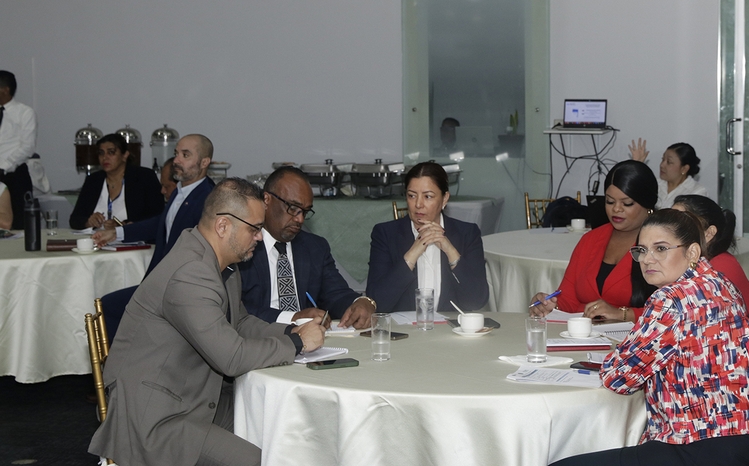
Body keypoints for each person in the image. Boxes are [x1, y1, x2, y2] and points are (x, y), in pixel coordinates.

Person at [88, 178, 325, 466]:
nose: (260, 237)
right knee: (257, 460)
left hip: (192, 394)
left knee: (284, 429)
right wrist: (297, 343)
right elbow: (232, 358)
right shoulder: (191, 273)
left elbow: (240, 322)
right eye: (254, 229)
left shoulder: (220, 261)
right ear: (223, 226)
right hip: (155, 416)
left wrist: (290, 330)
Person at [550, 209, 749, 466]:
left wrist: (619, 355)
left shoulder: (670, 300)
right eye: (641, 250)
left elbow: (618, 378)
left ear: (692, 252)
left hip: (701, 444)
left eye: (661, 249)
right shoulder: (719, 282)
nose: (647, 259)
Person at [672, 194, 749, 433]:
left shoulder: (718, 270)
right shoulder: (704, 264)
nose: (672, 226)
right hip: (742, 379)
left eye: (682, 220)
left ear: (709, 233)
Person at [94, 134, 217, 340]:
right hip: (162, 282)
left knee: (109, 306)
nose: (176, 160)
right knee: (109, 306)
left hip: (179, 289)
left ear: (204, 162)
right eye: (176, 153)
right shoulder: (181, 191)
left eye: (185, 155)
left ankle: (123, 359)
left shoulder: (208, 199)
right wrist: (117, 233)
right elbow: (162, 223)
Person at [241, 166, 377, 329]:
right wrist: (293, 318)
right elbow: (237, 310)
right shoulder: (243, 245)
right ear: (266, 200)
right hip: (258, 337)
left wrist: (360, 302)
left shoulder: (314, 247)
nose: (300, 219)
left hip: (311, 339)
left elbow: (335, 293)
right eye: (292, 208)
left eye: (305, 212)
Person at [530, 160, 657, 322]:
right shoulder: (591, 239)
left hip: (637, 335)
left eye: (627, 203)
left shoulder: (662, 245)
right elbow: (568, 298)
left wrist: (622, 314)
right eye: (610, 201)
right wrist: (551, 305)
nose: (616, 209)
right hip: (585, 333)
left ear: (648, 205)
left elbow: (673, 312)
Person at [366, 161, 488, 312]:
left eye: (428, 196)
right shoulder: (386, 234)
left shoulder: (467, 234)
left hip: (451, 326)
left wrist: (451, 252)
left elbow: (477, 300)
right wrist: (411, 255)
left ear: (444, 199)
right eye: (412, 196)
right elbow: (376, 301)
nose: (418, 204)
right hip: (403, 326)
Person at [68, 133, 164, 230]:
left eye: (111, 152)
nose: (105, 158)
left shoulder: (144, 177)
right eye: (101, 153)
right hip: (95, 237)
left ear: (125, 155)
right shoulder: (93, 180)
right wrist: (88, 222)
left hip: (130, 238)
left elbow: (157, 216)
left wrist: (123, 225)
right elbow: (74, 219)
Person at [0, 71, 35, 229]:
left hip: (14, 174)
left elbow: (27, 147)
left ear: (5, 89)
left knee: (18, 223)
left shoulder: (25, 112)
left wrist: (4, 166)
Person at [628, 138, 707, 208]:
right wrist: (636, 165)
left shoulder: (697, 192)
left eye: (669, 162)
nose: (662, 165)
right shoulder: (654, 183)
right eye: (663, 159)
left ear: (684, 169)